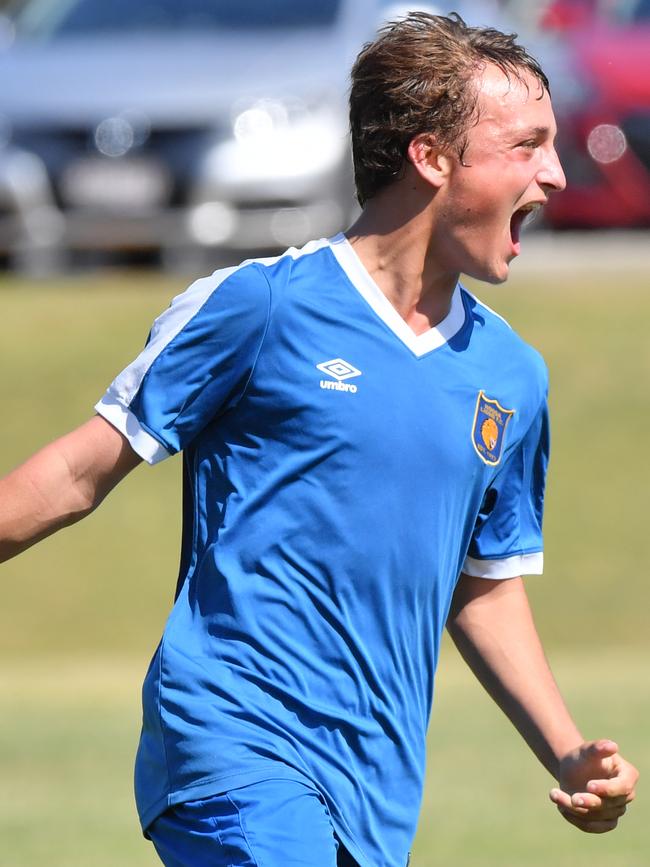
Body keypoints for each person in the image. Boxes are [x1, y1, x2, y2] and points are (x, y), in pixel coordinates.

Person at [0, 12, 638, 867]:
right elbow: (78, 474)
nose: (557, 174)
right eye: (526, 144)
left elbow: (482, 585)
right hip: (233, 744)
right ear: (431, 156)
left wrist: (566, 749)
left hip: (373, 788)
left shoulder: (511, 376)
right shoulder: (262, 307)